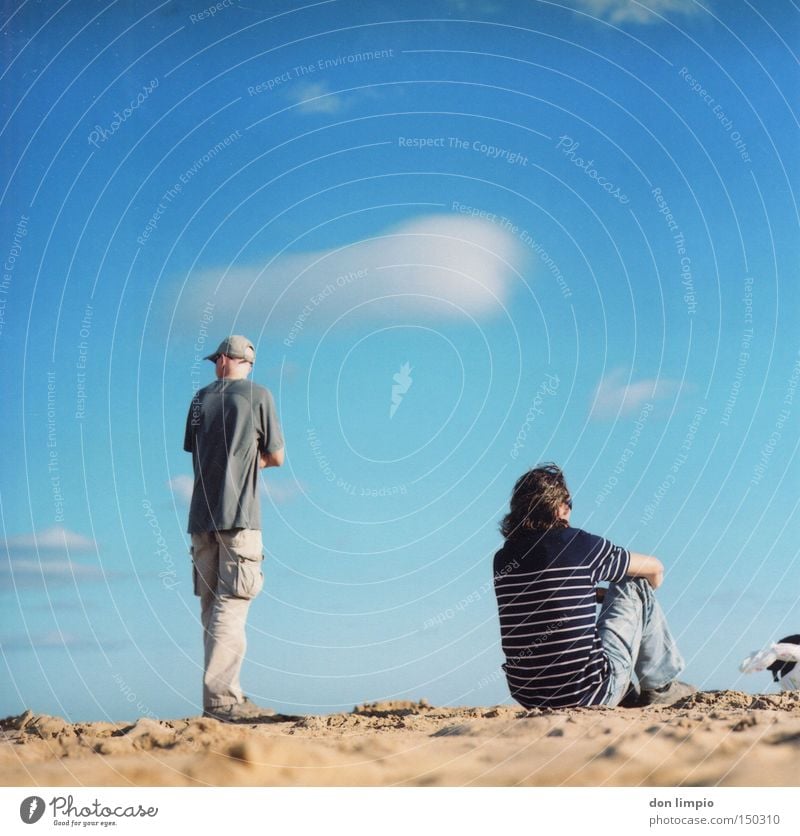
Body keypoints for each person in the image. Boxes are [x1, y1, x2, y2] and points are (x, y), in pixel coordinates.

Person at [493, 463, 695, 709]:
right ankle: (659, 686)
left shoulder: (503, 559)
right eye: (569, 504)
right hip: (587, 696)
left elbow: (548, 601)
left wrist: (599, 594)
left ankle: (627, 691)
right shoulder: (579, 544)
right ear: (559, 507)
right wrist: (644, 601)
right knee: (636, 582)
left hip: (531, 697)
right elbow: (655, 569)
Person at [184, 335, 284, 721]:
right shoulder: (259, 396)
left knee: (212, 608)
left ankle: (223, 698)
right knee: (232, 604)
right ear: (245, 362)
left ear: (225, 359)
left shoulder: (198, 400)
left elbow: (199, 449)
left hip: (200, 517)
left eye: (216, 361)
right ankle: (223, 701)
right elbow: (276, 456)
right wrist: (250, 463)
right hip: (239, 515)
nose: (214, 365)